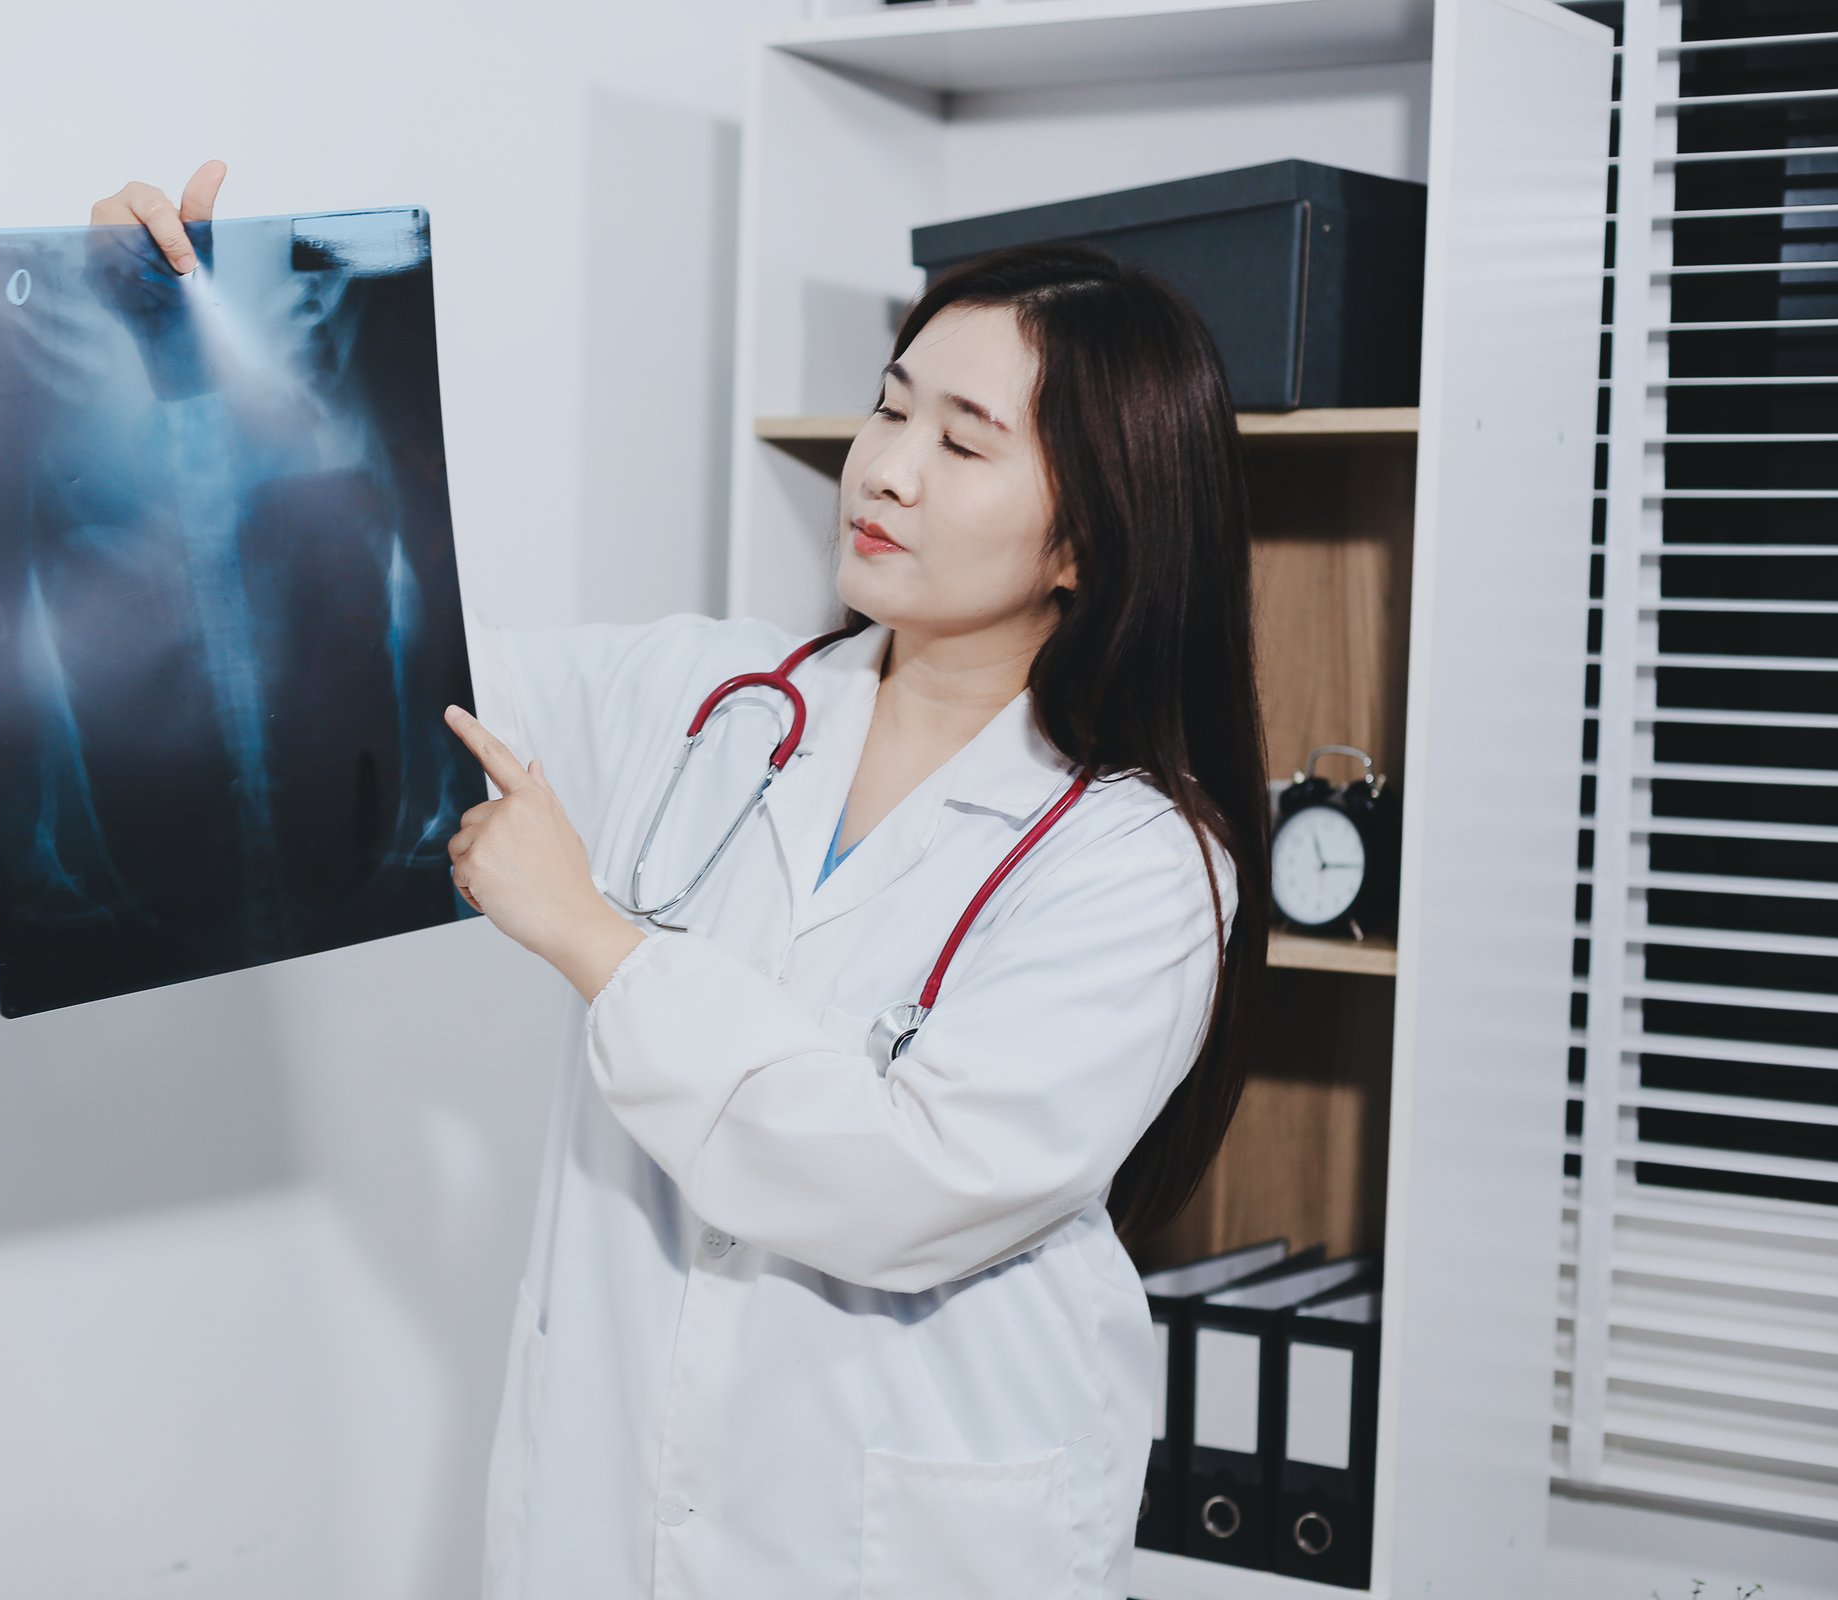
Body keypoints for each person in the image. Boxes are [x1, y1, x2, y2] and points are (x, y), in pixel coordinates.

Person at [92, 163, 1271, 1600]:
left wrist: (598, 940)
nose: (886, 466)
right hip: (608, 1510)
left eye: (963, 443)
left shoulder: (1142, 864)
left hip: (895, 1543)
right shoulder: (706, 697)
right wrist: (176, 372)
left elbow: (907, 1182)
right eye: (891, 407)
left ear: (1089, 534)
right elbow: (333, 697)